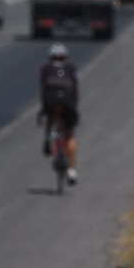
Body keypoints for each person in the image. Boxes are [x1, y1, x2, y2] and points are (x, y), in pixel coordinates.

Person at [39, 43, 79, 185]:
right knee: (70, 134)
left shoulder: (45, 69)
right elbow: (75, 89)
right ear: (65, 58)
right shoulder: (71, 68)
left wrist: (44, 107)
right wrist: (74, 106)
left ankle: (48, 139)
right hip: (67, 102)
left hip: (50, 102)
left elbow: (43, 89)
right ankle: (72, 171)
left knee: (51, 118)